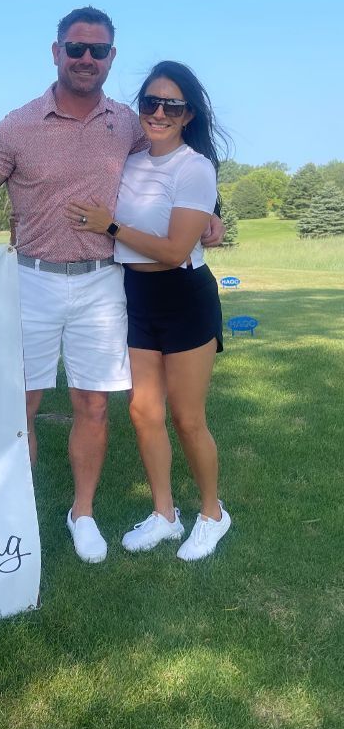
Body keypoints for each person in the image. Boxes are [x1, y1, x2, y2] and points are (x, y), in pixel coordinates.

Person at [0, 7, 224, 564]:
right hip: (32, 280)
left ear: (112, 58)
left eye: (98, 50)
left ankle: (82, 513)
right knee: (20, 406)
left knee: (92, 406)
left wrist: (215, 214)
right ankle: (9, 514)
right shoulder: (15, 125)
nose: (86, 59)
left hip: (102, 284)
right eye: (76, 48)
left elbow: (179, 163)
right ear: (56, 52)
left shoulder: (131, 122)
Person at [66, 61, 231, 561]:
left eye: (171, 105)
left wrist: (110, 227)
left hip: (183, 297)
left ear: (188, 115)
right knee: (143, 412)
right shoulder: (132, 159)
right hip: (135, 297)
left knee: (187, 417)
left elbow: (175, 250)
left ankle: (212, 515)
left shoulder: (194, 166)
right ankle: (164, 514)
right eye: (150, 103)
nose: (158, 112)